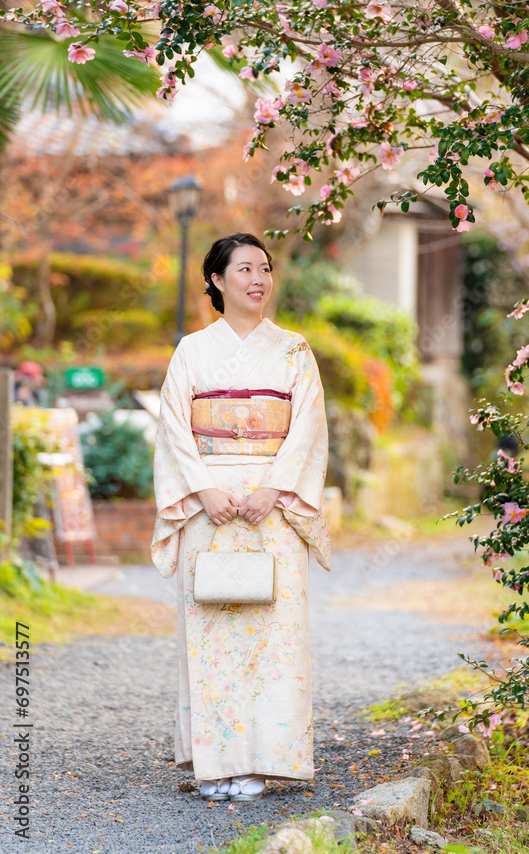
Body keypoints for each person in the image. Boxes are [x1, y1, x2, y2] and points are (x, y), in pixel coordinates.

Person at [151, 233, 330, 803]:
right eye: (245, 269)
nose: (258, 279)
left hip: (271, 511)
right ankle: (216, 763)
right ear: (217, 280)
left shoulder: (295, 350)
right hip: (211, 507)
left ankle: (263, 760)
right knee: (212, 633)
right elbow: (175, 427)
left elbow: (308, 427)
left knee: (273, 636)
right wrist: (202, 490)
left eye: (265, 269)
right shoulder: (192, 350)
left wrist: (275, 487)